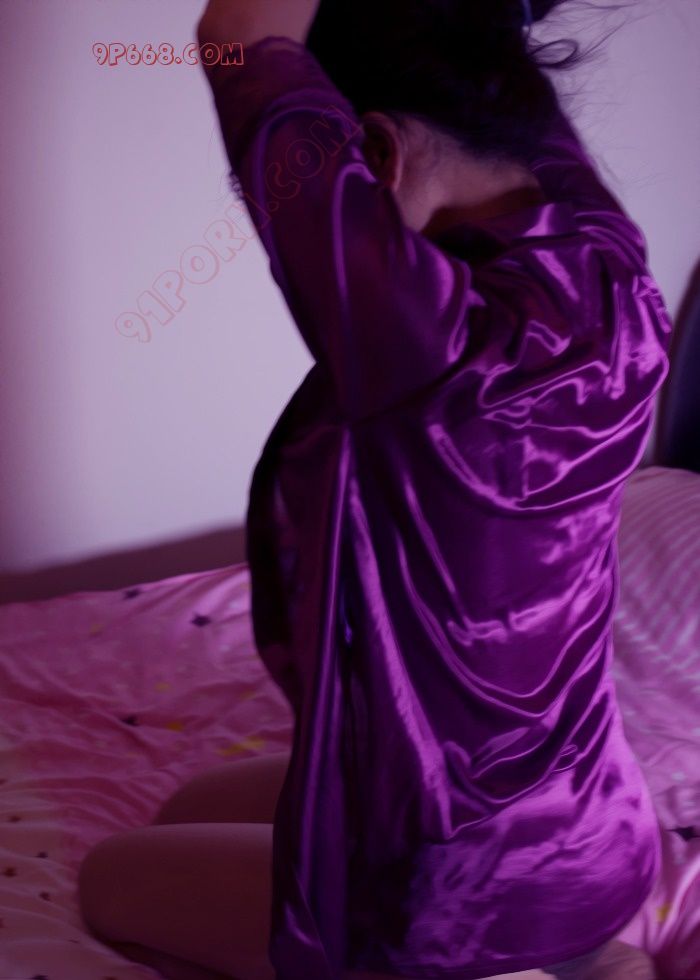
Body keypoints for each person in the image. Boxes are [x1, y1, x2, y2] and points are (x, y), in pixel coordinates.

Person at [77, 1, 671, 978]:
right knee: (188, 807)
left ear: (379, 153)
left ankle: (516, 966)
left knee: (111, 880)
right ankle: (591, 948)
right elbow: (473, 75)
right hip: (595, 819)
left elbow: (236, 36)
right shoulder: (613, 269)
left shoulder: (434, 350)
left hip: (457, 891)